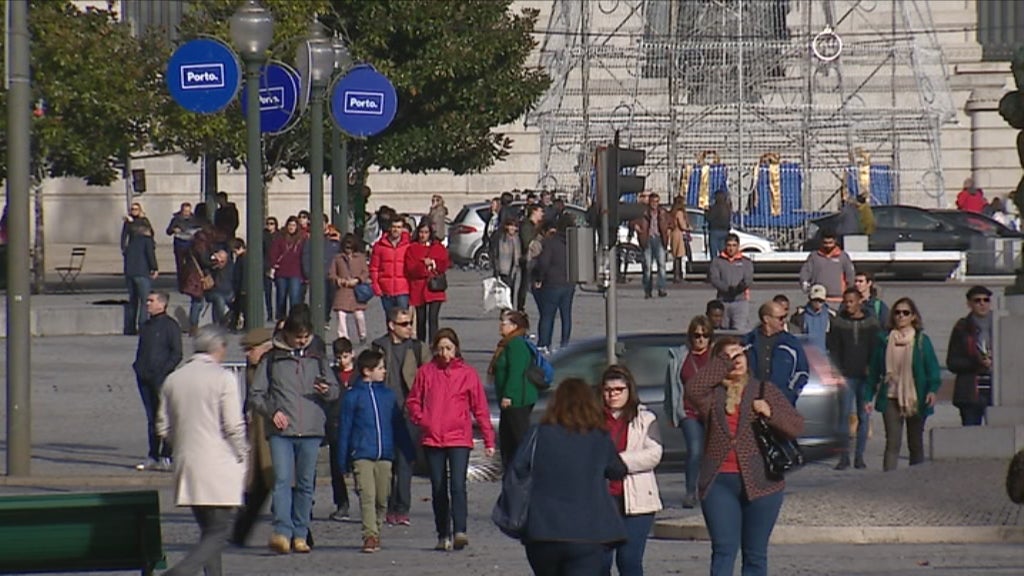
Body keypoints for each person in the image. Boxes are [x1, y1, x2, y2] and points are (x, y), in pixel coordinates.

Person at [685, 336, 804, 576]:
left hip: (762, 483)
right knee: (724, 549)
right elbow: (692, 389)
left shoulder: (763, 389)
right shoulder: (712, 395)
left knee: (755, 554)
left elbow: (796, 426)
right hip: (719, 482)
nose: (736, 361)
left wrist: (770, 413)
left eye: (739, 355)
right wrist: (723, 363)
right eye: (729, 357)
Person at [155, 325, 248, 576]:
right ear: (219, 347)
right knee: (220, 531)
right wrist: (243, 455)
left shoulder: (174, 379)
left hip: (187, 462)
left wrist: (181, 444)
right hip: (219, 462)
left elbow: (163, 426)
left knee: (209, 530)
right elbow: (233, 425)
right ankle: (180, 572)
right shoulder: (222, 377)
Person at [515, 377, 627, 575]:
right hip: (586, 531)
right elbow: (617, 470)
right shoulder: (598, 437)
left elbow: (518, 468)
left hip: (542, 530)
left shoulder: (538, 433)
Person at [249, 307, 339, 554]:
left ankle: (301, 533)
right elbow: (256, 395)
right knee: (281, 480)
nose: (302, 340)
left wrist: (326, 391)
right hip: (282, 430)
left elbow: (334, 390)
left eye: (306, 336)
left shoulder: (318, 357)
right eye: (298, 336)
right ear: (286, 334)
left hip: (310, 428)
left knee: (305, 484)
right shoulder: (272, 360)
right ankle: (282, 531)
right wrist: (272, 412)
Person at [406, 328, 496, 552]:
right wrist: (423, 419)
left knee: (458, 485)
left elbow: (480, 409)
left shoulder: (467, 374)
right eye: (441, 348)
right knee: (438, 487)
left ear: (456, 349)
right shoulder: (426, 372)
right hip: (432, 437)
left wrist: (488, 439)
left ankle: (460, 531)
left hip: (459, 437)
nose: (445, 353)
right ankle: (442, 533)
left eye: (449, 348)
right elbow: (413, 401)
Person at [338, 348, 416, 553]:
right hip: (361, 453)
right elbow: (345, 428)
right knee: (368, 495)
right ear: (366, 371)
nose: (384, 372)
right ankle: (369, 535)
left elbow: (398, 425)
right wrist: (342, 459)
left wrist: (408, 450)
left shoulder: (388, 395)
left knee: (383, 497)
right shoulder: (352, 396)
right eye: (380, 368)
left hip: (385, 454)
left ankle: (376, 528)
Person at [600, 365, 663, 576]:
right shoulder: (592, 419)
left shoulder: (645, 418)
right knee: (600, 562)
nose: (613, 395)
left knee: (629, 560)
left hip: (638, 500)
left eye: (619, 389)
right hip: (602, 499)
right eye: (608, 390)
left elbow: (654, 453)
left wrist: (620, 462)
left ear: (629, 390)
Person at [371, 307, 431, 526]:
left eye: (410, 323)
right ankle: (386, 505)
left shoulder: (418, 348)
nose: (409, 328)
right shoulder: (379, 347)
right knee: (386, 462)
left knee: (406, 462)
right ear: (391, 325)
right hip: (385, 411)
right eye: (404, 324)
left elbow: (428, 379)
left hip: (409, 412)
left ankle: (402, 508)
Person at [867, 297, 941, 471]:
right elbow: (874, 370)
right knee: (892, 442)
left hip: (916, 397)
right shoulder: (884, 341)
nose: (901, 316)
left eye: (905, 313)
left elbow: (932, 369)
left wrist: (932, 390)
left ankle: (916, 479)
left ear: (913, 316)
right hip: (891, 396)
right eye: (898, 312)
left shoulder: (922, 341)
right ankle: (888, 480)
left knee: (915, 442)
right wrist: (867, 397)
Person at [231, 326, 276, 546]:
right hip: (257, 439)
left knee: (277, 485)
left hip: (272, 436)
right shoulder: (252, 369)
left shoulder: (272, 367)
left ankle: (302, 534)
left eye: (251, 349)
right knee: (258, 489)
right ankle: (239, 533)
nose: (248, 354)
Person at [827, 288, 880, 470]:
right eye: (846, 301)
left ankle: (859, 456)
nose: (848, 305)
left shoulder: (871, 322)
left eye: (851, 301)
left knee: (863, 416)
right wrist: (836, 369)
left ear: (859, 302)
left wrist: (873, 369)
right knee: (843, 416)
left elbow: (876, 348)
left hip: (865, 377)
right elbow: (832, 348)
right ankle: (844, 457)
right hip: (846, 375)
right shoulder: (839, 322)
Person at [666, 315, 715, 508]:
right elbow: (670, 387)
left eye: (705, 335)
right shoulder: (680, 357)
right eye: (697, 335)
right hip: (689, 411)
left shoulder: (716, 356)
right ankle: (690, 491)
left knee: (713, 452)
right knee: (695, 450)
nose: (701, 339)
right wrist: (672, 412)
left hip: (712, 412)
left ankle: (710, 490)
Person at [132, 292, 182, 471]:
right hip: (143, 376)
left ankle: (166, 454)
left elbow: (177, 353)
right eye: (147, 300)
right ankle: (152, 455)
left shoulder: (170, 326)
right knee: (151, 418)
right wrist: (137, 367)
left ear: (162, 304)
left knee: (165, 417)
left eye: (151, 301)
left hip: (161, 378)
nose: (147, 304)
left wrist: (163, 371)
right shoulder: (146, 326)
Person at [488, 309, 536, 469]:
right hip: (510, 402)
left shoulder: (516, 345)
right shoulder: (507, 343)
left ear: (514, 326)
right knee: (508, 442)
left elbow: (516, 372)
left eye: (504, 323)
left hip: (517, 402)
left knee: (518, 440)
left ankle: (522, 473)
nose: (500, 326)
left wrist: (508, 395)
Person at [946, 285, 994, 426]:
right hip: (970, 391)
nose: (982, 304)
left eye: (986, 300)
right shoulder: (962, 327)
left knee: (999, 435)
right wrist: (977, 362)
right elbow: (952, 362)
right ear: (969, 304)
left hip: (996, 389)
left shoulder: (1000, 323)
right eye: (977, 300)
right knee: (971, 433)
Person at [744, 301, 809, 405]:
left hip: (781, 404)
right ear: (766, 319)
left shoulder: (791, 343)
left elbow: (802, 372)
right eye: (780, 318)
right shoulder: (748, 342)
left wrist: (790, 394)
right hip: (750, 403)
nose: (784, 321)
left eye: (785, 317)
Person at [533, 213, 576, 354]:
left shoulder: (550, 242)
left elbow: (544, 263)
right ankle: (565, 344)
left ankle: (544, 344)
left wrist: (539, 278)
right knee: (566, 315)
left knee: (547, 315)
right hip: (569, 282)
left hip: (552, 282)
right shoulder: (573, 242)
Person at [326, 337, 355, 523]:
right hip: (336, 424)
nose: (342, 361)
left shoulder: (360, 373)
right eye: (339, 357)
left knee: (360, 465)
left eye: (345, 356)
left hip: (357, 425)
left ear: (352, 354)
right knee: (337, 467)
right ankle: (341, 503)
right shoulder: (331, 374)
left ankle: (368, 501)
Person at [405, 222, 450, 342]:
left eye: (426, 232)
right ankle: (421, 345)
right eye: (421, 232)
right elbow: (410, 269)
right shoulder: (412, 248)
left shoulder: (438, 247)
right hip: (419, 288)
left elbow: (444, 264)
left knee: (433, 318)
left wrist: (433, 263)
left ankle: (433, 344)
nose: (423, 235)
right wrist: (423, 266)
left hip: (435, 288)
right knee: (420, 319)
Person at [370, 217, 412, 326]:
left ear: (402, 229)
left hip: (403, 289)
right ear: (389, 228)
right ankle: (390, 340)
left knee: (403, 318)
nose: (396, 230)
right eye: (394, 227)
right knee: (389, 319)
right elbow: (374, 268)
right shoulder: (379, 246)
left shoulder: (408, 245)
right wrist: (376, 286)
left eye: (399, 227)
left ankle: (404, 341)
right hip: (386, 288)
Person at [329, 233, 370, 343]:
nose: (348, 249)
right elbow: (331, 273)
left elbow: (365, 272)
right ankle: (343, 338)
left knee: (359, 316)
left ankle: (362, 334)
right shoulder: (338, 258)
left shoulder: (360, 258)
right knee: (341, 316)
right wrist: (338, 280)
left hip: (356, 291)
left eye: (350, 247)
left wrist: (358, 280)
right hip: (342, 291)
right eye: (346, 247)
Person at [708, 233, 754, 331]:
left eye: (734, 245)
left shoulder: (746, 262)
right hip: (723, 301)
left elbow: (748, 279)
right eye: (729, 245)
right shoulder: (717, 261)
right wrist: (727, 289)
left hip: (740, 301)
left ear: (738, 246)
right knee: (723, 330)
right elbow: (714, 279)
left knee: (739, 330)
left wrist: (738, 288)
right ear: (725, 245)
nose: (731, 248)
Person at [302, 215, 343, 326]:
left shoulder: (334, 238)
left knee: (330, 297)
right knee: (319, 296)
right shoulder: (310, 239)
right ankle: (319, 319)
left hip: (331, 273)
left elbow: (340, 255)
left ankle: (325, 317)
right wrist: (308, 272)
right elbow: (306, 256)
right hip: (317, 274)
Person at [630, 192, 671, 299]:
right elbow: (632, 222)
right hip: (647, 239)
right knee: (647, 267)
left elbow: (671, 222)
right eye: (653, 202)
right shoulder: (644, 213)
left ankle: (661, 289)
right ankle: (647, 290)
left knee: (661, 265)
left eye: (657, 202)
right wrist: (636, 226)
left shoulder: (662, 212)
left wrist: (668, 230)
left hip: (659, 239)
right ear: (650, 202)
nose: (655, 204)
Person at [800, 230, 855, 306]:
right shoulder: (814, 257)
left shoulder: (843, 257)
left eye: (830, 243)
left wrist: (848, 293)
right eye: (825, 243)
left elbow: (850, 276)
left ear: (835, 241)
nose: (828, 246)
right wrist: (805, 285)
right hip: (818, 298)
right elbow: (805, 273)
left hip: (839, 299)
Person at [123, 224, 159, 335]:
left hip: (130, 273)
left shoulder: (131, 242)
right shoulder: (147, 240)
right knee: (145, 301)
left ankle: (129, 327)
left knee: (133, 301)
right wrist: (154, 268)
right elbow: (150, 255)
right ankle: (143, 326)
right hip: (142, 273)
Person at [268, 216, 306, 321]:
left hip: (296, 272)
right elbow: (273, 252)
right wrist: (274, 263)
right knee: (281, 297)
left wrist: (305, 273)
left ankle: (294, 318)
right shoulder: (281, 238)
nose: (291, 227)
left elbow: (304, 255)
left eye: (294, 225)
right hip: (282, 272)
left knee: (294, 297)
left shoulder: (302, 239)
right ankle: (281, 318)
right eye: (290, 225)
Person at [788, 284, 835, 352]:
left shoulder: (831, 316)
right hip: (806, 355)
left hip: (825, 355)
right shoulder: (799, 316)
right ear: (810, 298)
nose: (818, 303)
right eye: (815, 300)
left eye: (820, 300)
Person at [490, 218, 523, 308]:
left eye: (514, 226)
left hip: (514, 269)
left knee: (511, 291)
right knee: (504, 291)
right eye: (510, 226)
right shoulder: (501, 238)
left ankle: (510, 309)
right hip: (503, 269)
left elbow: (518, 253)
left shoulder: (517, 238)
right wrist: (496, 269)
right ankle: (505, 310)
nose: (512, 228)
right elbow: (496, 254)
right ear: (506, 227)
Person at [519, 205, 546, 312]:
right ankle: (521, 306)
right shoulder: (527, 225)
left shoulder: (538, 225)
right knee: (525, 283)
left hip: (537, 257)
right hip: (528, 257)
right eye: (540, 211)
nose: (542, 214)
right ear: (534, 212)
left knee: (535, 282)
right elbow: (527, 242)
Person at [668, 196, 693, 283]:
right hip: (678, 234)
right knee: (679, 255)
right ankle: (678, 276)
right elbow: (682, 225)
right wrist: (689, 227)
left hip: (673, 234)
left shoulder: (672, 212)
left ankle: (676, 275)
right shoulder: (679, 213)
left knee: (676, 255)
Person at [263, 216, 279, 322]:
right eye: (268, 223)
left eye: (272, 223)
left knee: (280, 292)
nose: (270, 226)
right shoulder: (263, 236)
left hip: (278, 266)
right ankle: (269, 313)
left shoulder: (280, 236)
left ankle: (278, 313)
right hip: (267, 266)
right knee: (267, 292)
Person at [706, 190, 732, 257]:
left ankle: (715, 264)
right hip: (725, 231)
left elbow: (709, 218)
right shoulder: (727, 208)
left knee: (713, 251)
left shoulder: (715, 207)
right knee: (723, 250)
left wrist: (707, 212)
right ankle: (723, 264)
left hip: (715, 230)